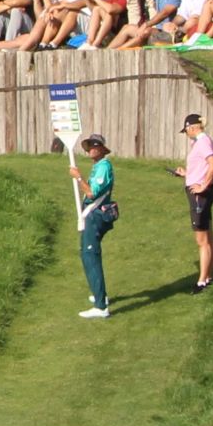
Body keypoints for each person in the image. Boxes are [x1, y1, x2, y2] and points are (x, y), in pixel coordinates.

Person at [73, 133, 117, 319]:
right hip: (91, 214)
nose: (91, 148)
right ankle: (100, 295)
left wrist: (78, 178)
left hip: (95, 215)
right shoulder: (98, 167)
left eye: (95, 145)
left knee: (90, 255)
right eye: (89, 145)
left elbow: (92, 193)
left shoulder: (104, 167)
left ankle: (101, 306)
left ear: (101, 149)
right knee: (87, 254)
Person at [179, 111, 213, 291]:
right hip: (198, 193)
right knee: (208, 236)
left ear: (192, 127)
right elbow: (203, 167)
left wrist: (203, 185)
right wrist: (186, 174)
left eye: (187, 130)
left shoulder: (203, 142)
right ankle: (209, 275)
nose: (186, 133)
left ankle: (202, 280)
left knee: (201, 239)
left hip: (199, 196)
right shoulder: (200, 142)